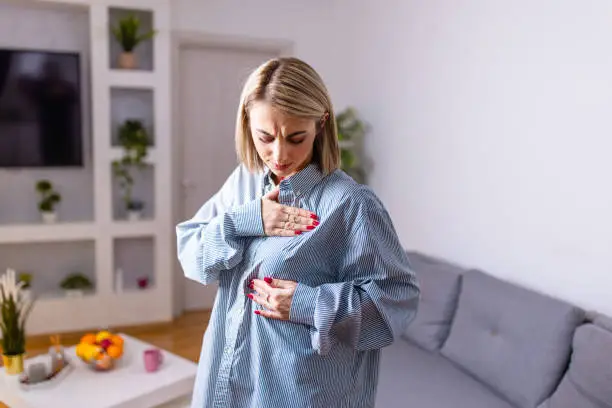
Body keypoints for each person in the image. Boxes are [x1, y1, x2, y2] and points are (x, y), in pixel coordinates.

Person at [176, 57, 420, 408]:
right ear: (247, 123)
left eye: (295, 138)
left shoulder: (351, 204)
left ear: (320, 124)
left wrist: (308, 304)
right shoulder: (244, 183)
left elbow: (397, 301)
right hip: (225, 386)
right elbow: (191, 254)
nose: (279, 154)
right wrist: (244, 220)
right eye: (265, 137)